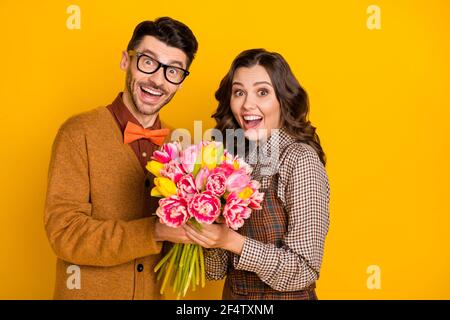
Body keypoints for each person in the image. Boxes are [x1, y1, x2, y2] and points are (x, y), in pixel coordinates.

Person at [44, 17, 198, 299]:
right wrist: (154, 231)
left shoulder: (183, 144)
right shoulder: (78, 133)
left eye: (173, 71)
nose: (157, 80)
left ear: (181, 82)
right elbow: (65, 234)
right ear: (126, 61)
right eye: (148, 62)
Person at [183, 49, 330, 300]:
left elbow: (304, 269)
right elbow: (215, 271)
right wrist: (204, 224)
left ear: (283, 99)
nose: (247, 104)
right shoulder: (234, 160)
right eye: (239, 92)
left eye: (262, 92)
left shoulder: (299, 159)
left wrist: (232, 241)